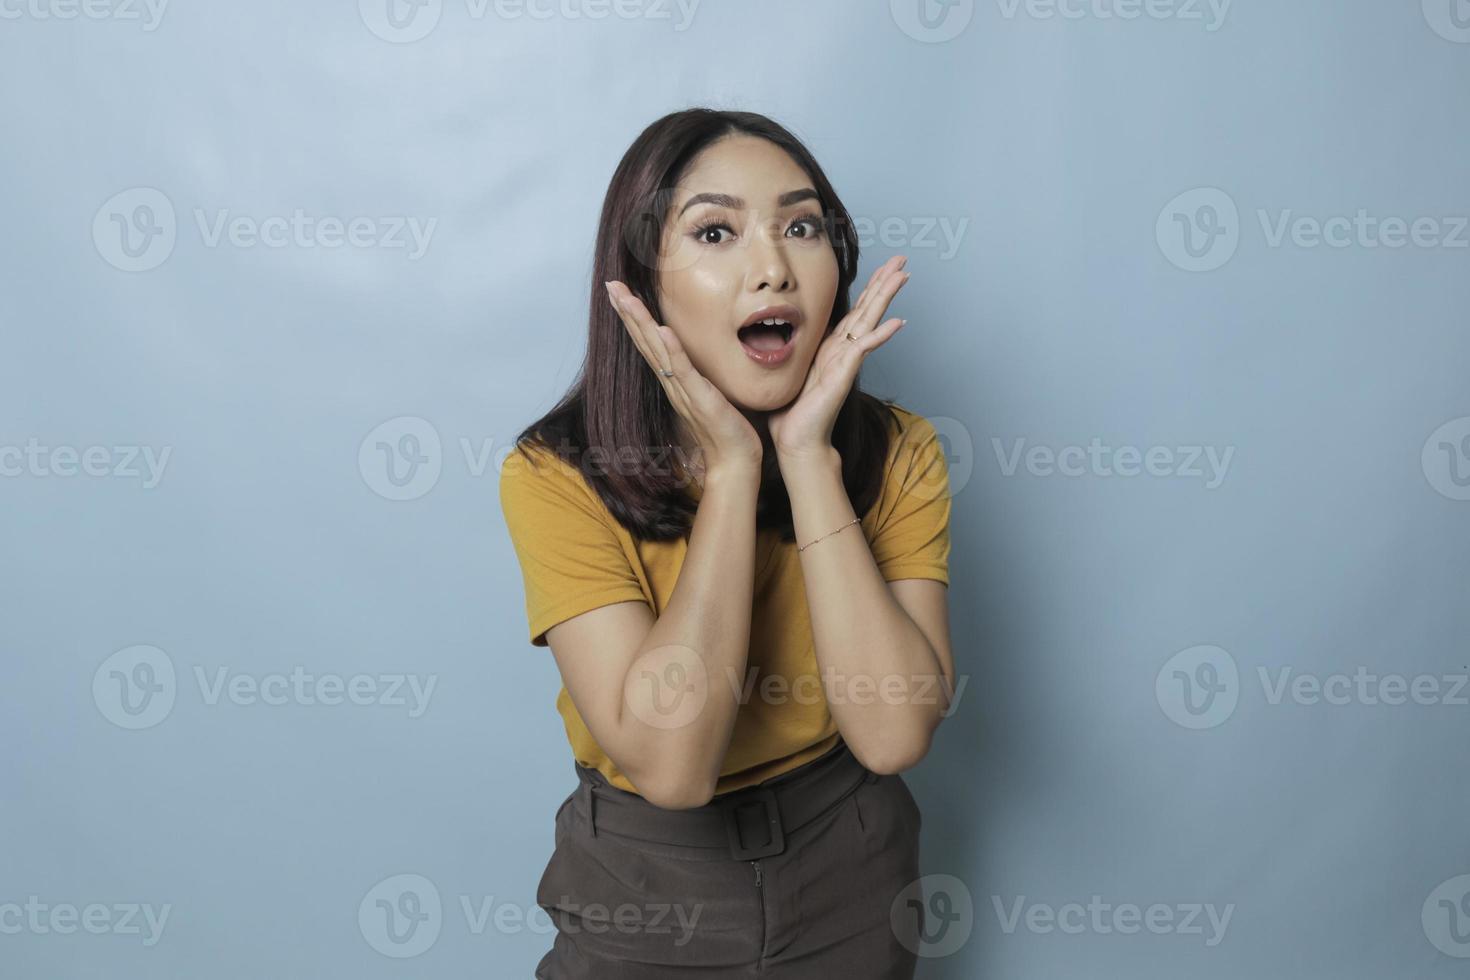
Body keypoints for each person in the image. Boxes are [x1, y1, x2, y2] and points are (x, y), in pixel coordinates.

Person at [499, 107, 956, 978]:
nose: (773, 268)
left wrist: (806, 458)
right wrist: (733, 474)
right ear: (644, 284)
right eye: (716, 231)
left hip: (851, 862)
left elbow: (894, 735)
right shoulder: (554, 475)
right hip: (645, 878)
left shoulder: (901, 451)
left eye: (802, 226)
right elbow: (673, 767)